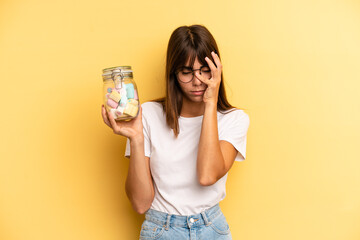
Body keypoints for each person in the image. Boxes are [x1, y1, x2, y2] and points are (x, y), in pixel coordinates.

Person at [101, 24, 250, 240]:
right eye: (186, 72)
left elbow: (207, 176)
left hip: (212, 230)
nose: (197, 81)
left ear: (217, 69)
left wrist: (211, 103)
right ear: (174, 73)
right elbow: (141, 204)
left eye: (205, 70)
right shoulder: (148, 115)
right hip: (162, 230)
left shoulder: (234, 119)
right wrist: (136, 138)